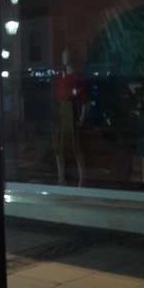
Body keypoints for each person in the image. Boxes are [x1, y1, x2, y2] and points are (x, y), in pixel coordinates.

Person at [54, 47, 89, 187]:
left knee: (77, 147)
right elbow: (59, 98)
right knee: (59, 148)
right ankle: (61, 177)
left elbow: (83, 99)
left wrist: (82, 115)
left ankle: (82, 178)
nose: (65, 58)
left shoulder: (77, 78)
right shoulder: (60, 79)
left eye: (67, 55)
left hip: (72, 112)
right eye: (64, 55)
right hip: (63, 113)